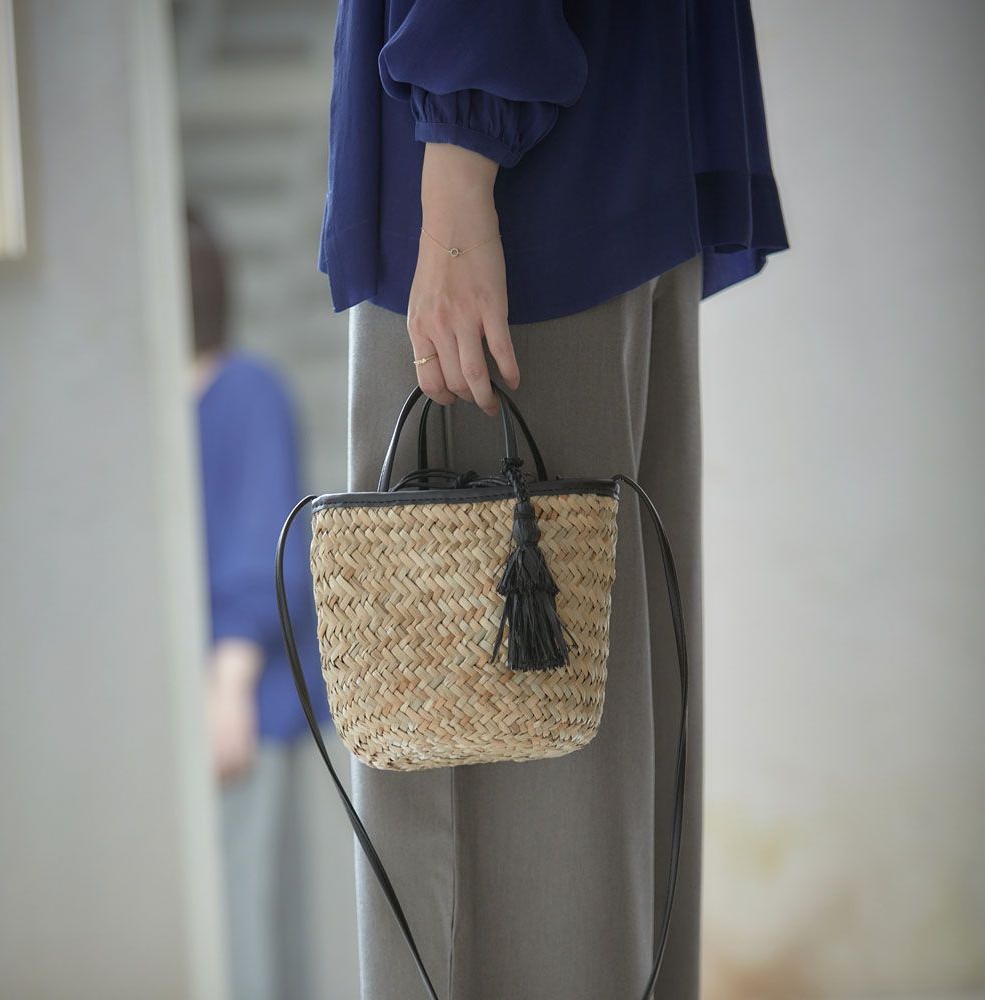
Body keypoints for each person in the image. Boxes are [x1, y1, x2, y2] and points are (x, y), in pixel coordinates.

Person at [319, 2, 789, 998]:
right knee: (615, 775)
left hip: (512, 191)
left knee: (501, 843)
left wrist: (459, 167)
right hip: (609, 150)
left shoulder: (475, 159)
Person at [187, 205, 327, 1000]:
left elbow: (264, 555)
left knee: (247, 939)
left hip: (238, 709)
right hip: (205, 708)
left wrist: (227, 688)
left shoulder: (245, 392)